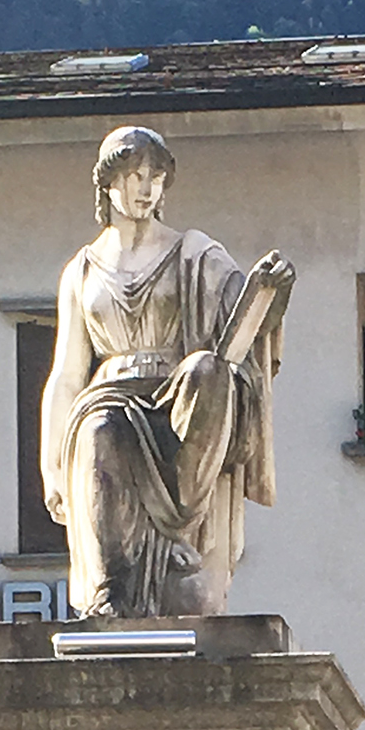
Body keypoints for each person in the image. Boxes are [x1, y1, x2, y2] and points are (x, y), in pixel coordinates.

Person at [40, 125, 291, 617]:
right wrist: (52, 466)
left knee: (205, 369)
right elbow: (67, 374)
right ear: (108, 184)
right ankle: (112, 588)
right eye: (135, 175)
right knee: (96, 429)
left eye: (156, 176)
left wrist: (270, 291)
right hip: (109, 400)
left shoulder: (197, 253)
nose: (146, 186)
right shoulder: (82, 270)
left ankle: (178, 520)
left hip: (181, 401)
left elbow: (244, 328)